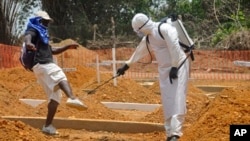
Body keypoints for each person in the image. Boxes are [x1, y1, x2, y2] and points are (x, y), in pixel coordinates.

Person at [117, 13, 190, 141]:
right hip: (164, 70)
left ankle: (176, 133)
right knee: (168, 99)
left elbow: (173, 46)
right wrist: (126, 66)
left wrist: (174, 66)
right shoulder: (149, 38)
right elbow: (139, 52)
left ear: (142, 27)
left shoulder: (164, 29)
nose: (138, 33)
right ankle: (169, 133)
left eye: (138, 30)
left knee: (178, 97)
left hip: (179, 66)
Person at [23, 11, 88, 135]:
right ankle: (72, 98)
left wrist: (67, 47)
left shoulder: (43, 37)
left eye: (48, 22)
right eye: (45, 21)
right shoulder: (34, 29)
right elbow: (28, 36)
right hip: (42, 63)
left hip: (41, 67)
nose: (47, 24)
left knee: (55, 97)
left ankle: (47, 126)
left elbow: (52, 50)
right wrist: (28, 43)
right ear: (38, 20)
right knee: (60, 75)